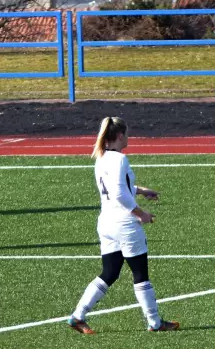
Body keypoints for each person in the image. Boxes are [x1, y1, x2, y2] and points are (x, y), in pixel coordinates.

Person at [68, 116, 179, 334]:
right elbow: (118, 192)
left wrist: (141, 190)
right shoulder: (120, 159)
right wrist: (140, 213)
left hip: (106, 222)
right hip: (124, 224)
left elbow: (118, 186)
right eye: (127, 134)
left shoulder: (101, 157)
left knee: (109, 273)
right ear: (119, 136)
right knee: (140, 274)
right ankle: (155, 323)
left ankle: (78, 316)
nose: (128, 137)